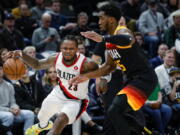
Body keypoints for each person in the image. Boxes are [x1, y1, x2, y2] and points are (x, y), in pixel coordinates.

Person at [69, 27, 158, 135]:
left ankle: (143, 131)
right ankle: (145, 132)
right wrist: (94, 77)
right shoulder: (108, 45)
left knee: (120, 111)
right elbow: (106, 66)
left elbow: (127, 40)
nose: (100, 22)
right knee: (114, 113)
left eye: (101, 18)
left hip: (138, 78)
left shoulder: (122, 36)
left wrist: (103, 38)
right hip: (122, 80)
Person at [8, 35, 99, 135]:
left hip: (75, 99)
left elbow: (103, 71)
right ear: (60, 49)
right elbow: (37, 64)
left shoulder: (86, 63)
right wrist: (22, 54)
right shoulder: (55, 58)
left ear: (77, 50)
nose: (68, 51)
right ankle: (43, 125)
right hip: (58, 94)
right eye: (65, 48)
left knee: (60, 121)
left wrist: (102, 81)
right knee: (42, 117)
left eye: (71, 49)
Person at [0, 62, 34, 135]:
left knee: (30, 114)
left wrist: (16, 108)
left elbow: (13, 102)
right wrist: (9, 110)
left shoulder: (9, 85)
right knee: (8, 116)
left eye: (0, 69)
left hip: (10, 111)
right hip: (4, 112)